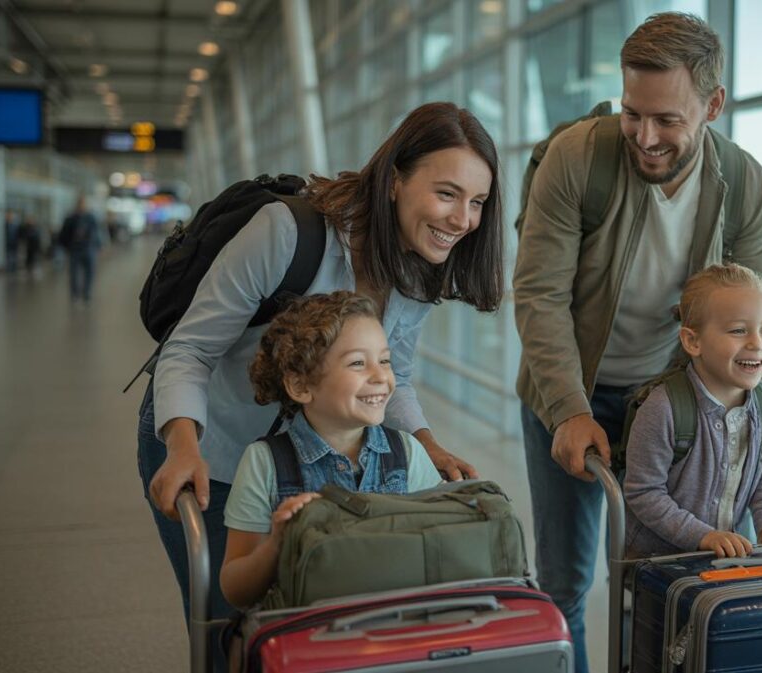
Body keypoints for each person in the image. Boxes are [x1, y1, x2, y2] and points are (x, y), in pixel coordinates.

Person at [512, 13, 762, 670]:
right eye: (633, 114)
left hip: (672, 404)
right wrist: (568, 409)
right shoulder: (577, 157)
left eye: (667, 120)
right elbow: (539, 294)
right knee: (567, 580)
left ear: (713, 105)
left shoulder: (744, 183)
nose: (646, 137)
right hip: (568, 388)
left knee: (682, 571)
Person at [138, 102, 502, 664]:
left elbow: (398, 376)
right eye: (447, 194)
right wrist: (183, 446)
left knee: (316, 630)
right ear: (395, 180)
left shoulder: (420, 266)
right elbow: (189, 349)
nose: (462, 220)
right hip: (210, 442)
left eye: (477, 202)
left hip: (315, 458)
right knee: (230, 629)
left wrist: (426, 443)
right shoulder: (288, 233)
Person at [220, 291, 442, 608]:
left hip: (396, 626)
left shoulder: (408, 453)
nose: (381, 376)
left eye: (384, 360)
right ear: (300, 386)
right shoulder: (265, 463)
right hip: (308, 630)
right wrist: (277, 543)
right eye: (357, 363)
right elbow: (236, 590)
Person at [623, 264, 762, 560]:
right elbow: (644, 492)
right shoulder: (663, 408)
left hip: (728, 561)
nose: (757, 343)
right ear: (693, 341)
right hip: (659, 566)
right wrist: (703, 536)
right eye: (738, 330)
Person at [58, 196, 103, 302]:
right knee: (74, 274)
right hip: (75, 250)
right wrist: (66, 247)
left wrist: (99, 245)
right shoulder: (70, 219)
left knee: (90, 273)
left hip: (88, 249)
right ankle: (75, 295)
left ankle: (86, 293)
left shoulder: (91, 218)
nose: (82, 206)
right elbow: (63, 234)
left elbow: (96, 232)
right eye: (80, 204)